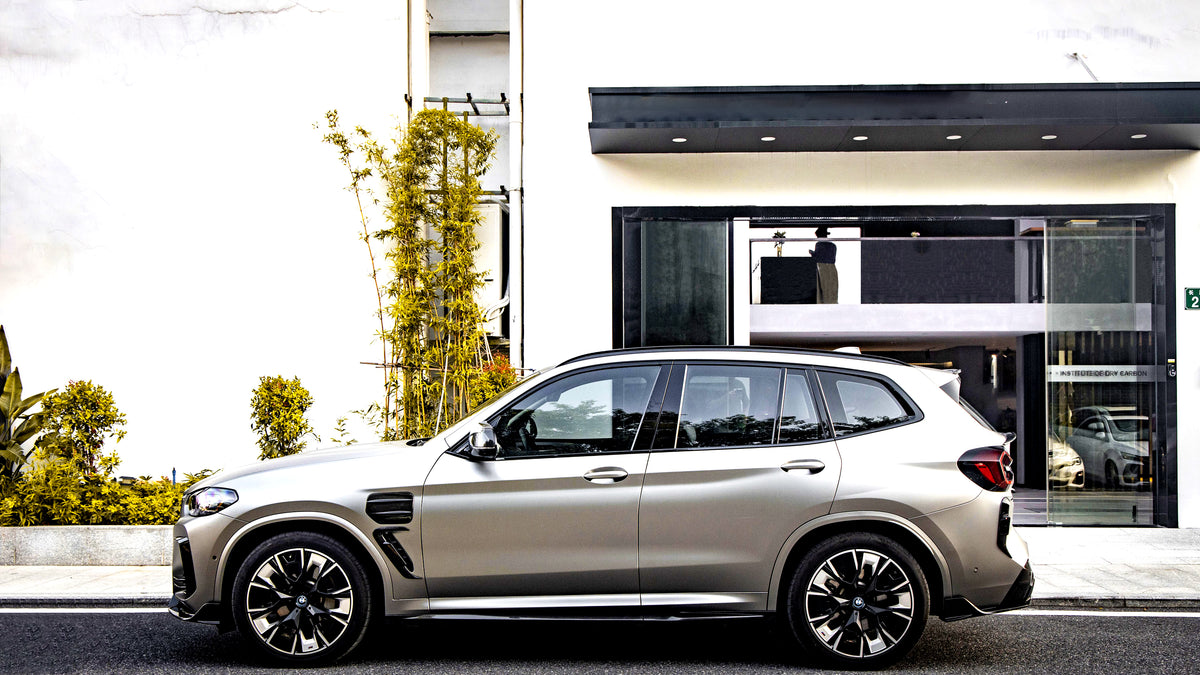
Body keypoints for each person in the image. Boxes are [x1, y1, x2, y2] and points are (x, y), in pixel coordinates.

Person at [811, 226, 839, 303]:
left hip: (822, 267)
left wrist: (812, 253)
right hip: (830, 268)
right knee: (829, 289)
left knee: (824, 288)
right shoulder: (832, 245)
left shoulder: (820, 244)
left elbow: (818, 256)